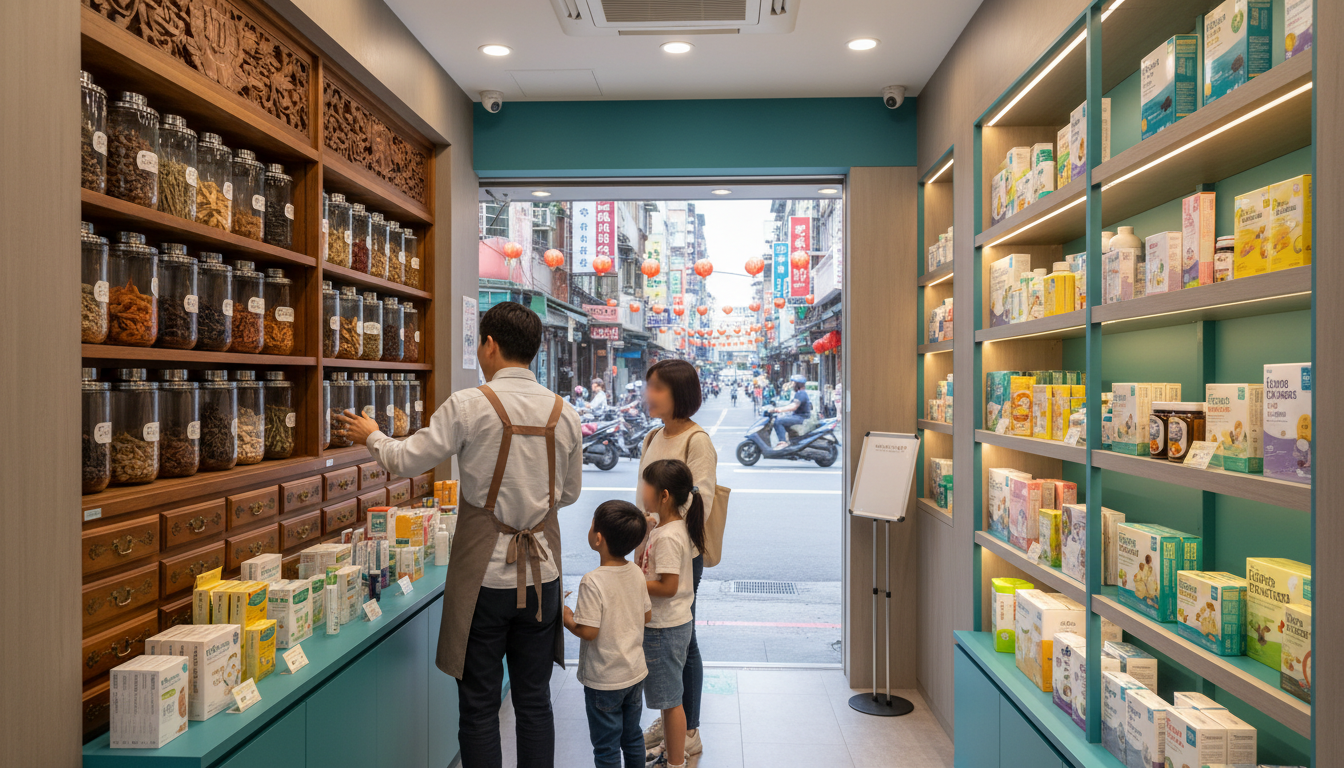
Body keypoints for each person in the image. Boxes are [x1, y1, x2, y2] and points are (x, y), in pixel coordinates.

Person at [335, 301, 582, 768]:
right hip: (542, 576)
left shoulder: (470, 405)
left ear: (489, 345)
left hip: (483, 580)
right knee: (534, 702)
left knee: (479, 707)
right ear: (533, 350)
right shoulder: (563, 412)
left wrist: (372, 435)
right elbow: (567, 494)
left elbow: (406, 459)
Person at [636, 359, 716, 763]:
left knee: (684, 641)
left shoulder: (696, 440)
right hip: (649, 551)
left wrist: (656, 529)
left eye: (658, 388)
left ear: (678, 394)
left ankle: (688, 731)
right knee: (668, 641)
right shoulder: (654, 435)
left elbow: (698, 499)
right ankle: (672, 720)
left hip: (680, 557)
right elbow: (644, 495)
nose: (649, 394)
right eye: (648, 386)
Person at [563, 501, 652, 768]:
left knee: (606, 747)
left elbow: (588, 631)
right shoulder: (636, 572)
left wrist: (567, 618)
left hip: (604, 680)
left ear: (598, 538)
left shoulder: (592, 581)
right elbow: (646, 615)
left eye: (592, 524)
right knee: (633, 736)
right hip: (634, 673)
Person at [637, 460, 704, 768]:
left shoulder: (668, 536)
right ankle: (671, 755)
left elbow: (669, 585)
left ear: (663, 495)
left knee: (671, 702)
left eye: (645, 486)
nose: (641, 491)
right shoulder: (671, 527)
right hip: (673, 624)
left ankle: (675, 762)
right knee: (669, 700)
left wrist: (633, 582)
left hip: (665, 628)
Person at [772, 374, 812, 449]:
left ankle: (783, 442)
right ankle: (791, 440)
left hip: (801, 418)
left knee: (778, 421)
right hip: (798, 416)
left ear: (798, 384)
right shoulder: (799, 393)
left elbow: (794, 406)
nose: (792, 385)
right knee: (781, 418)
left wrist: (780, 409)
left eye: (793, 383)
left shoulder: (801, 393)